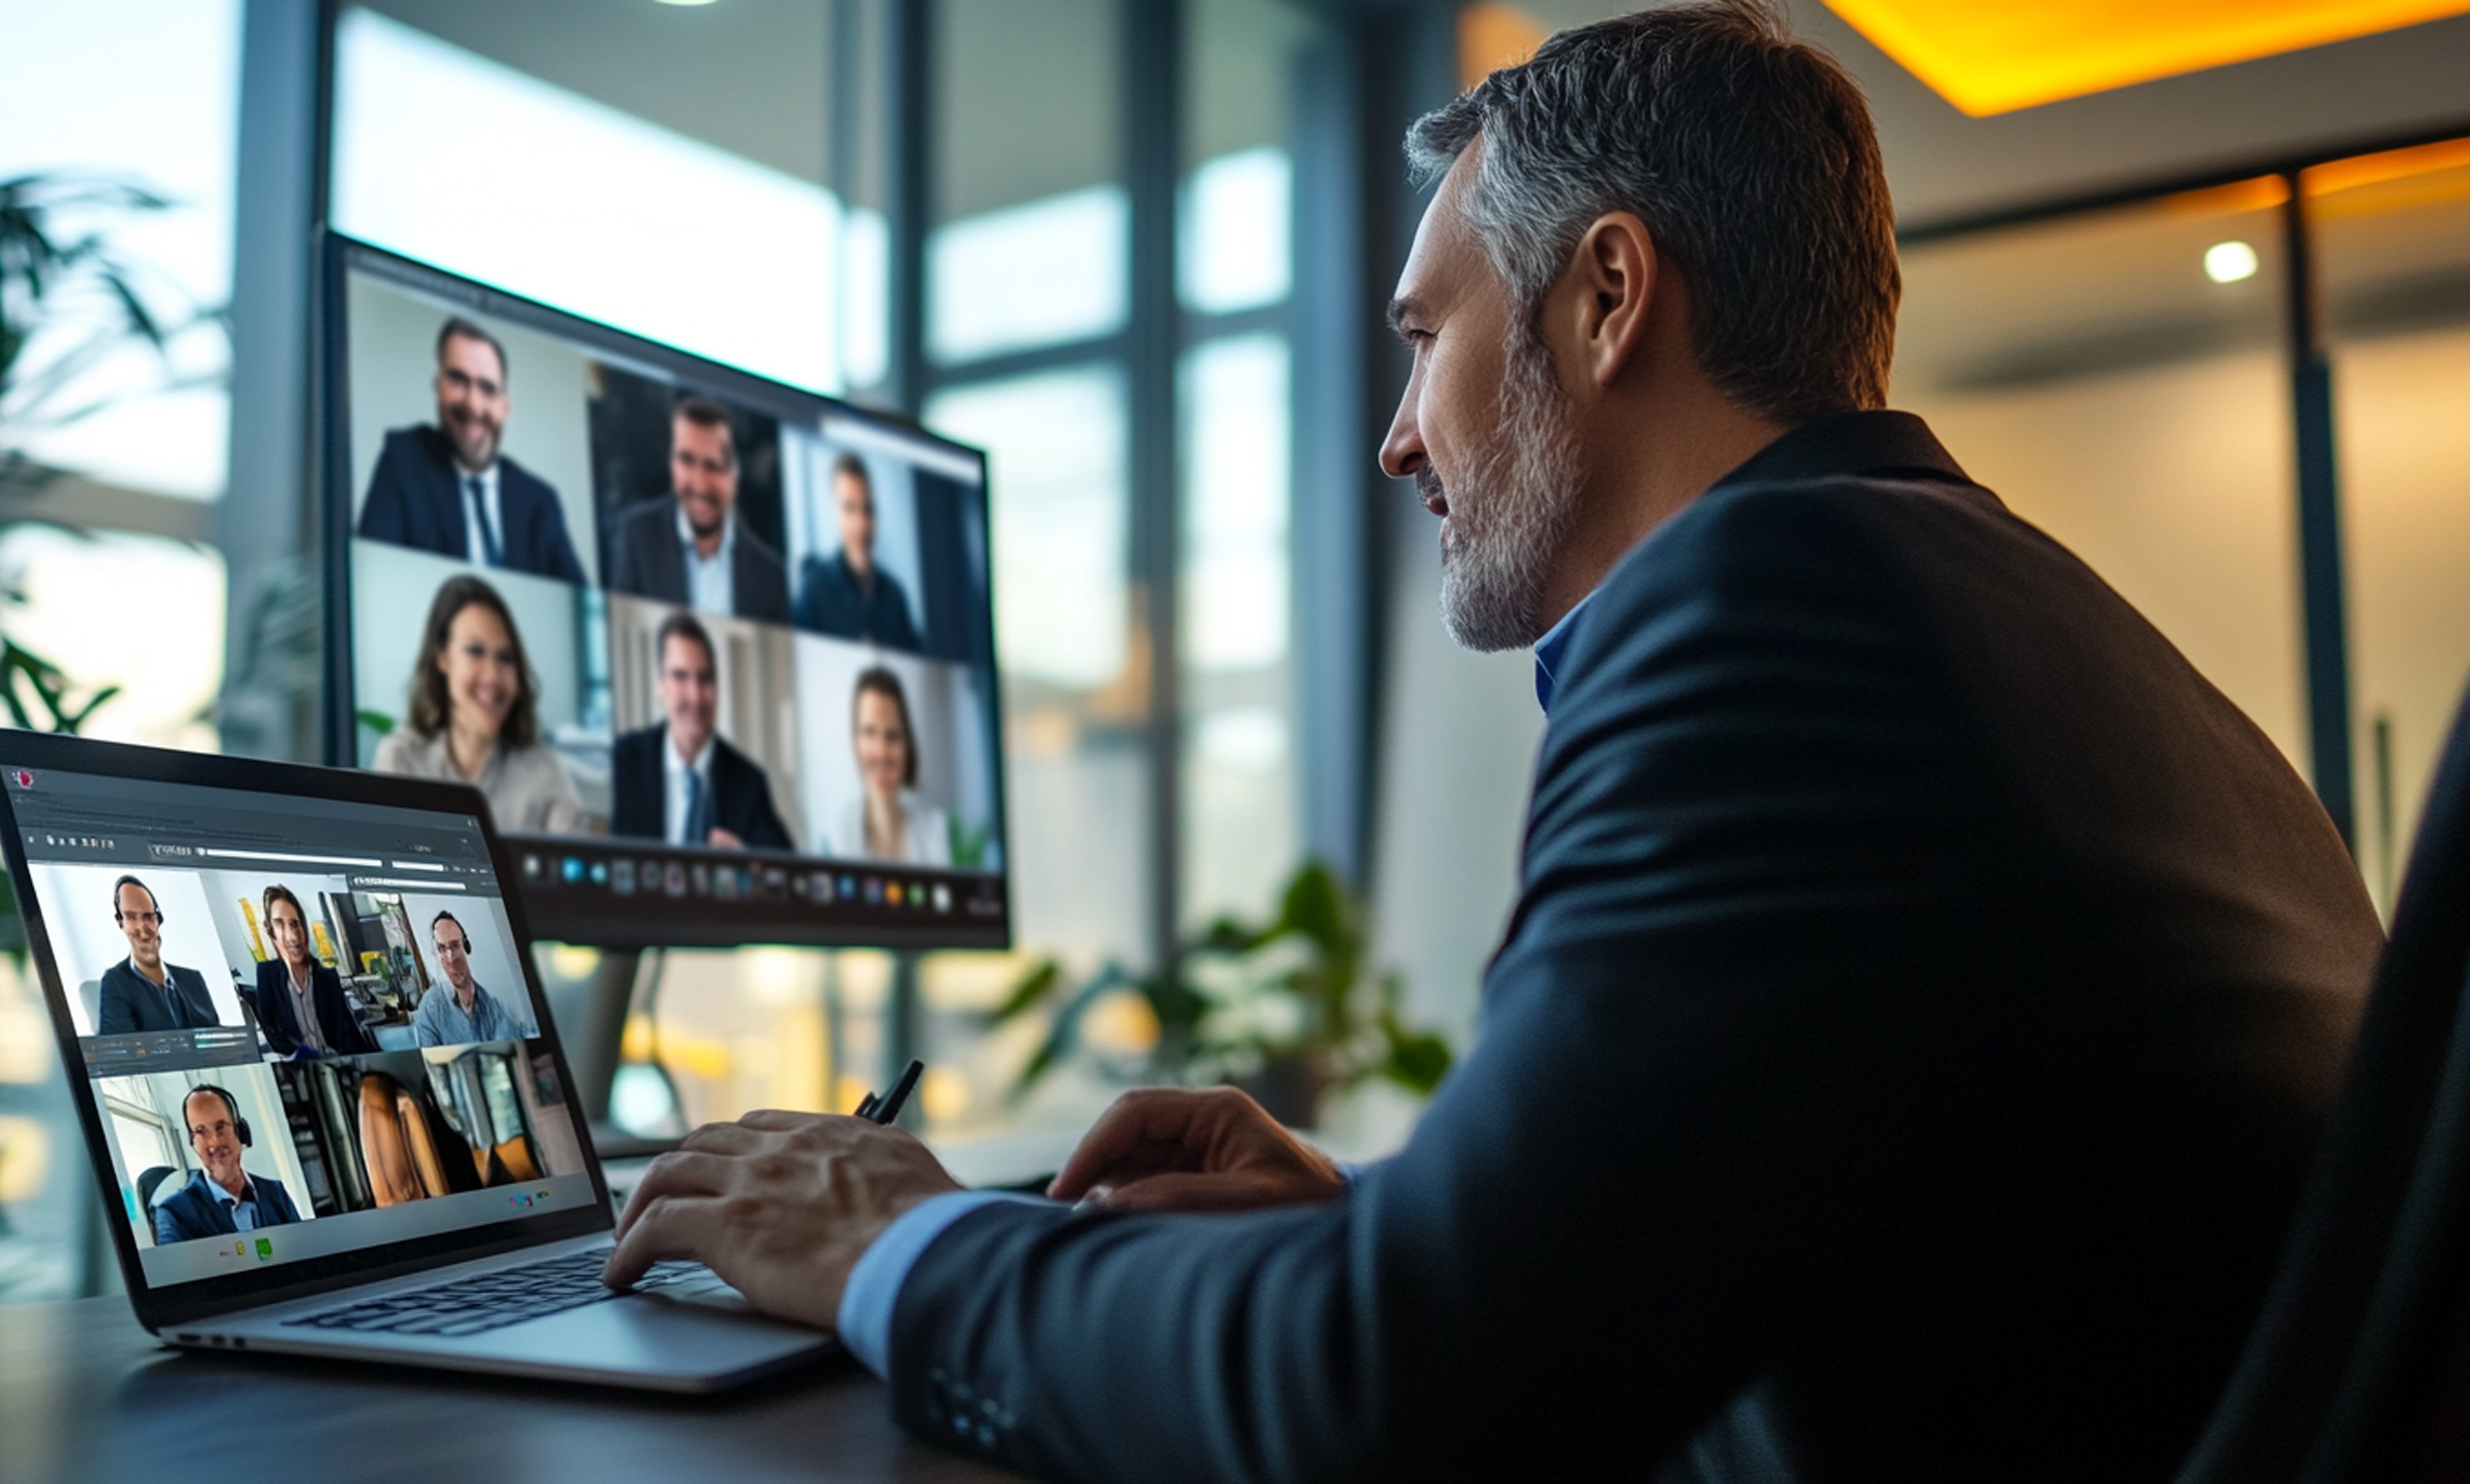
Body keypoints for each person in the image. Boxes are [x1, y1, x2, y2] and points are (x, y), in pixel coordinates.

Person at [599, 7, 2384, 1480]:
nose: (1392, 437)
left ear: (1605, 296)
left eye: (1420, 336)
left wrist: (888, 1242)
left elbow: (1374, 1404)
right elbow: (1913, 1223)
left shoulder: (1772, 608)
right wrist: (1388, 1208)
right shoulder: (2050, 636)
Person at [357, 317, 588, 584]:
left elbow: (577, 597)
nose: (473, 404)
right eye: (458, 380)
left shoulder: (540, 502)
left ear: (505, 407)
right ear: (439, 387)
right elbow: (372, 578)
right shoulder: (403, 461)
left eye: (488, 388)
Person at [370, 575, 592, 834]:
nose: (493, 677)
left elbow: (576, 866)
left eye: (506, 658)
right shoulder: (401, 760)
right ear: (443, 658)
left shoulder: (544, 771)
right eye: (475, 651)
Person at [609, 612, 796, 851]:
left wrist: (747, 863)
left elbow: (784, 867)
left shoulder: (749, 781)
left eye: (705, 679)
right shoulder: (627, 759)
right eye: (681, 677)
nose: (696, 696)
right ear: (660, 684)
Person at [608, 396, 788, 620]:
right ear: (672, 463)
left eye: (713, 466)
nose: (700, 484)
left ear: (735, 476)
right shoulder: (637, 537)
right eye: (686, 461)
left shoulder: (770, 574)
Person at [793, 451, 922, 651]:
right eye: (850, 508)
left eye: (868, 509)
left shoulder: (895, 595)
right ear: (835, 513)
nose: (861, 523)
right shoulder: (814, 590)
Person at [828, 666, 949, 866]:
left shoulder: (935, 831)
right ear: (856, 742)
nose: (882, 752)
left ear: (907, 744)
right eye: (869, 732)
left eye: (892, 736)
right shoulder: (839, 831)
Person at [151, 1084, 301, 1243]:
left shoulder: (277, 1192)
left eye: (221, 1127)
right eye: (201, 1131)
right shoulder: (174, 1213)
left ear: (241, 1131)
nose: (215, 1142)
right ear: (193, 1142)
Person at [252, 884, 380, 1059]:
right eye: (280, 925)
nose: (291, 936)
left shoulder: (327, 977)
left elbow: (349, 1032)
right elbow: (271, 1031)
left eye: (295, 924)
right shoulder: (267, 975)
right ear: (271, 933)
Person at [94, 875, 221, 1036]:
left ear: (158, 920)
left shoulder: (192, 979)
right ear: (121, 923)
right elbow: (122, 1050)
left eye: (148, 917)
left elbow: (217, 1036)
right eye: (131, 918)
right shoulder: (116, 981)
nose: (142, 928)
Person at [412, 910, 538, 1047]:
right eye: (442, 949)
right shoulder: (430, 1009)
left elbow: (521, 1037)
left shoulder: (491, 1004)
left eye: (455, 946)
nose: (451, 959)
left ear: (467, 948)